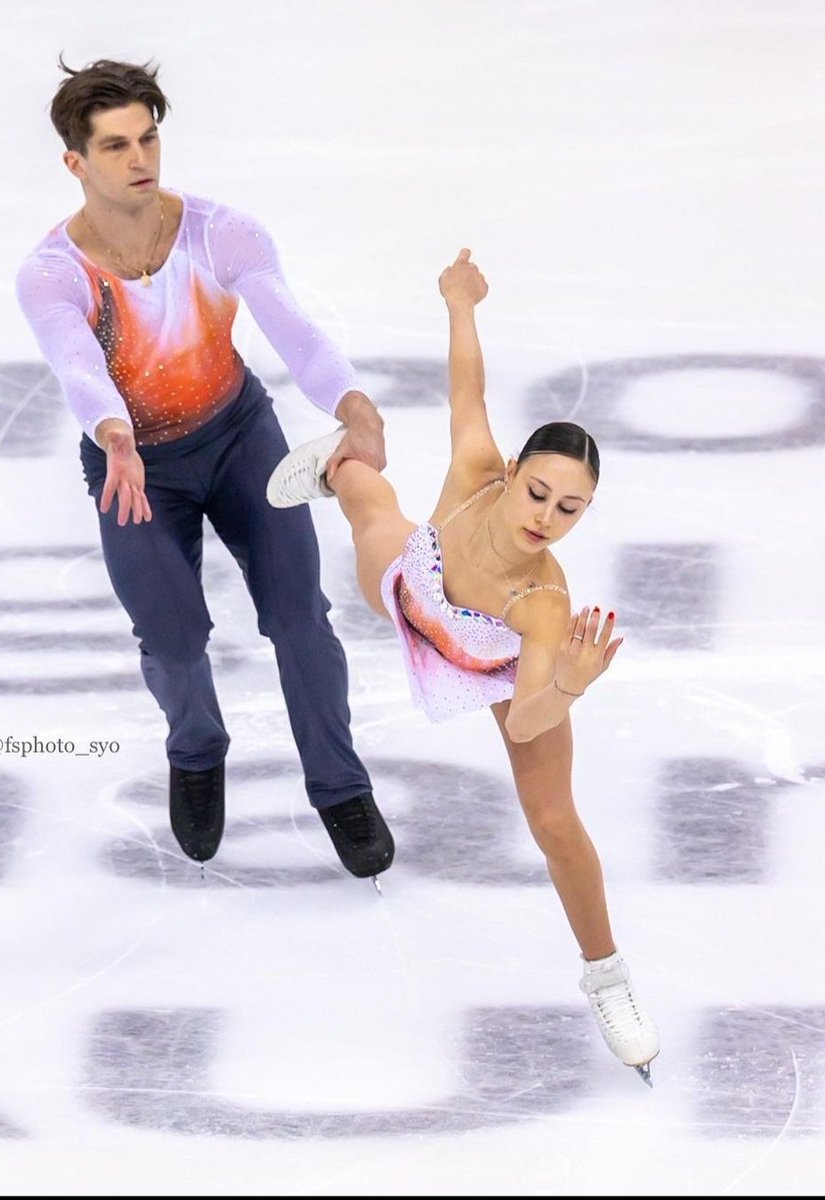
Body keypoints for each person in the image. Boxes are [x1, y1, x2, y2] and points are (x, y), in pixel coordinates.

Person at [266, 249, 661, 1082]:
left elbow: (522, 720)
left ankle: (607, 977)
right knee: (367, 500)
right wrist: (458, 301)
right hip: (416, 592)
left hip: (500, 666)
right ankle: (340, 460)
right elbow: (467, 390)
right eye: (539, 493)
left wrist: (567, 685)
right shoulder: (477, 472)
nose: (547, 517)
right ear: (511, 473)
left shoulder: (543, 602)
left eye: (570, 508)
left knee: (554, 820)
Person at [15, 57, 395, 881]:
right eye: (114, 146)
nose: (139, 158)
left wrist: (351, 402)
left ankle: (339, 786)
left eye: (148, 137)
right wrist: (114, 433)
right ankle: (195, 747)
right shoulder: (52, 273)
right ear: (75, 162)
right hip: (133, 465)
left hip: (238, 440)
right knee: (174, 637)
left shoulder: (222, 231)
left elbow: (290, 326)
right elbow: (79, 364)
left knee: (300, 618)